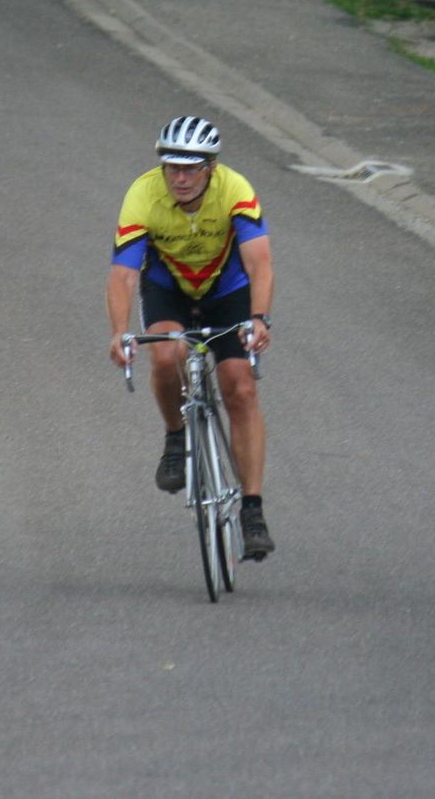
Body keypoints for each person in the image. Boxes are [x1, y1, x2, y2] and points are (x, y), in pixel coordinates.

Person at [107, 116, 276, 560]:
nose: (179, 178)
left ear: (211, 168)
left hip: (228, 292)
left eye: (190, 169)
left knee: (240, 387)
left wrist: (259, 319)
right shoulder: (142, 194)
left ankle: (252, 510)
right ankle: (175, 437)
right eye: (172, 168)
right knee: (166, 356)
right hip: (169, 291)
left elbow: (259, 262)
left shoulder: (235, 189)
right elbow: (123, 274)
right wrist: (120, 331)